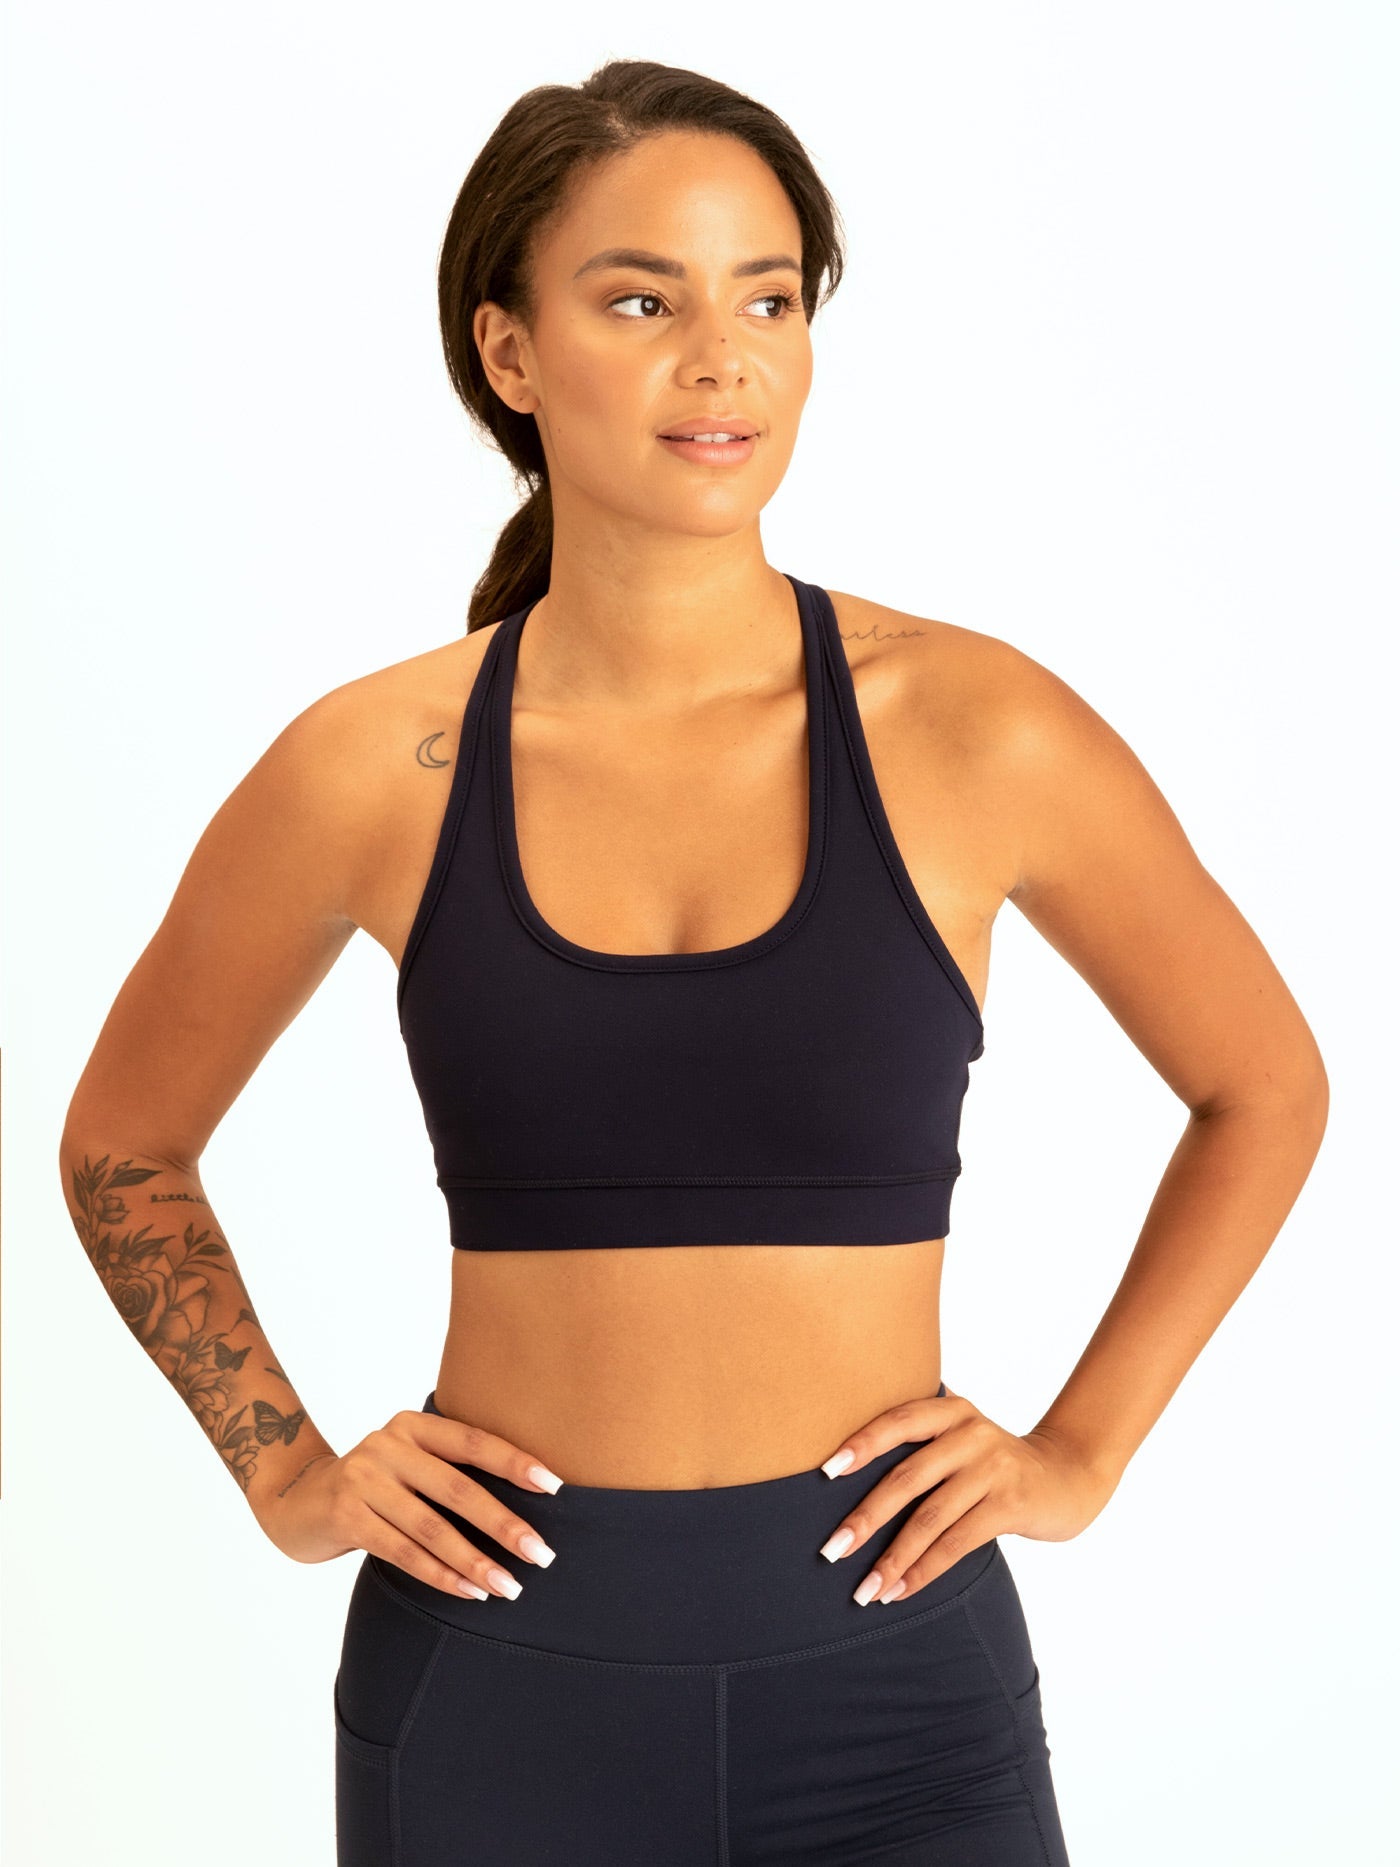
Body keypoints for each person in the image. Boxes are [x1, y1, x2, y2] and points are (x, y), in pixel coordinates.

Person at [59, 56, 1329, 1867]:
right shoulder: (375, 767)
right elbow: (124, 1142)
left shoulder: (977, 731)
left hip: (901, 1697)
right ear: (510, 352)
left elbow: (1263, 1085)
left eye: (769, 299)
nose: (721, 359)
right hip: (495, 1695)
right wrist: (286, 1470)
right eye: (641, 301)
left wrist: (1080, 1452)